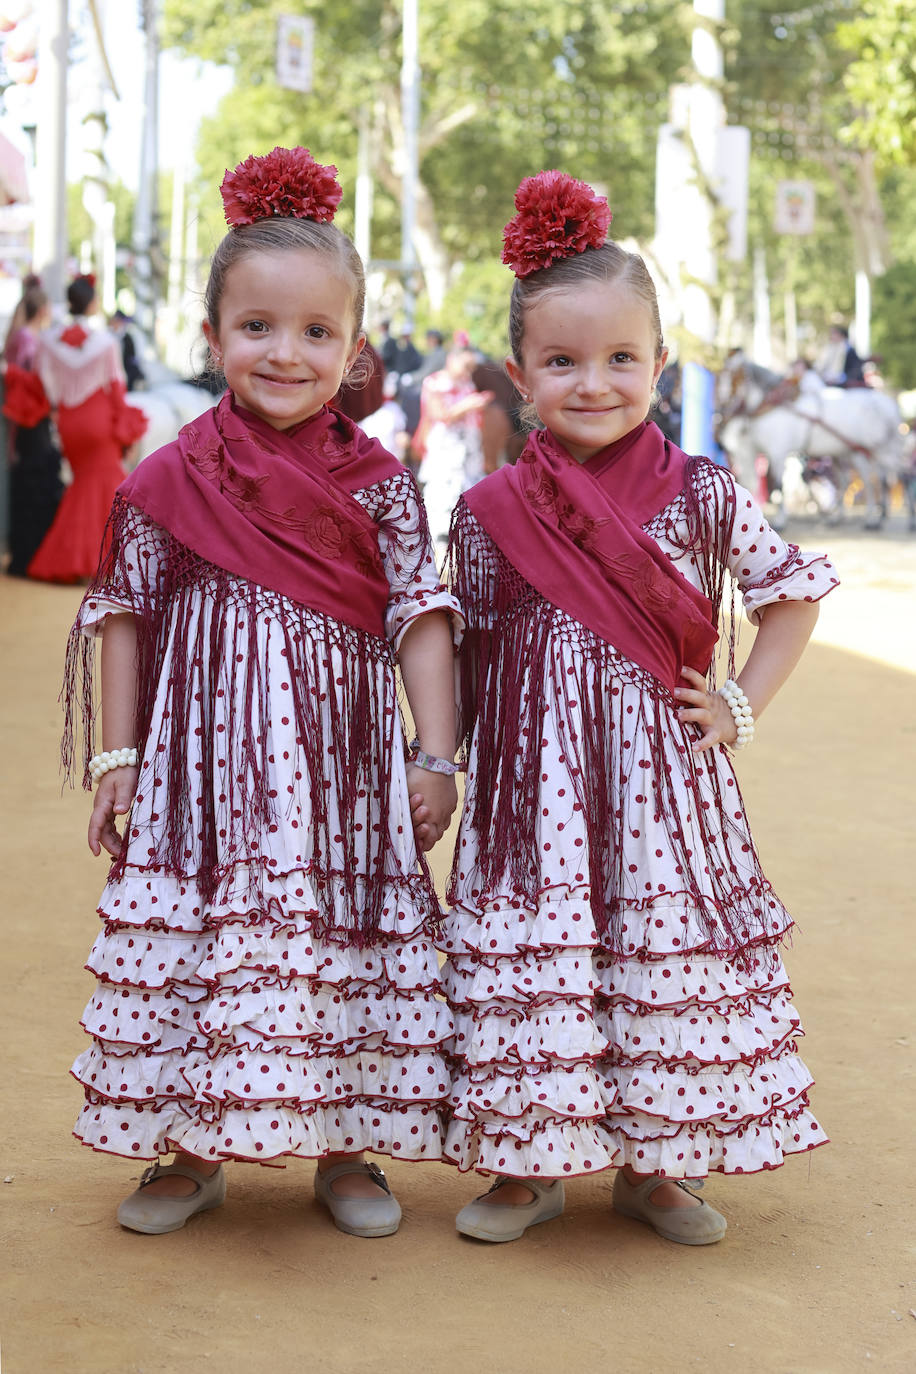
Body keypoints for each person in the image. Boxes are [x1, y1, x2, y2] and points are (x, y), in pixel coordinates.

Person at [62, 147, 461, 1238]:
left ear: (355, 348)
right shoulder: (166, 476)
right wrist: (118, 757)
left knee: (341, 938)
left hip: (342, 773)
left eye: (317, 332)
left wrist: (436, 755)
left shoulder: (381, 487)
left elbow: (421, 617)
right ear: (212, 337)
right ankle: (190, 1151)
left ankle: (346, 1147)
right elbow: (123, 615)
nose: (287, 353)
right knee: (208, 940)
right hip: (202, 776)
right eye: (257, 327)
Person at [442, 171, 838, 1246]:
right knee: (542, 960)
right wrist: (449, 765)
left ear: (659, 364)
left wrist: (740, 704)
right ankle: (527, 1166)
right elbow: (466, 648)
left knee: (660, 956)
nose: (594, 383)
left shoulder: (704, 492)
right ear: (520, 374)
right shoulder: (484, 511)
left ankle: (657, 1168)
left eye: (622, 358)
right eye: (562, 362)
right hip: (534, 795)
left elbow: (793, 593)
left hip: (664, 790)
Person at [21, 274, 147, 584]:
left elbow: (42, 382)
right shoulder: (106, 342)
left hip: (68, 422)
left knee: (84, 487)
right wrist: (126, 429)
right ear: (91, 304)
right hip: (98, 419)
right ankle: (108, 563)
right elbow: (116, 388)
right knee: (108, 488)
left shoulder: (48, 341)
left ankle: (79, 561)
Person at [2, 282, 64, 575]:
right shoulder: (30, 339)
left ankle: (24, 555)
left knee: (29, 485)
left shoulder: (20, 336)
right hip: (32, 420)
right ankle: (29, 556)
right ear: (42, 310)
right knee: (36, 485)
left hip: (26, 421)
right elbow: (35, 379)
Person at [415, 348, 492, 559]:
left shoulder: (468, 384)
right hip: (445, 450)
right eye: (466, 366)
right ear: (452, 359)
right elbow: (439, 414)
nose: (469, 372)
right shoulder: (435, 383)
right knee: (441, 497)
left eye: (472, 368)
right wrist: (467, 406)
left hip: (469, 449)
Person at [108, 309, 146, 391]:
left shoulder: (127, 339)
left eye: (118, 322)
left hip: (125, 373)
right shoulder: (108, 337)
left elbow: (131, 358)